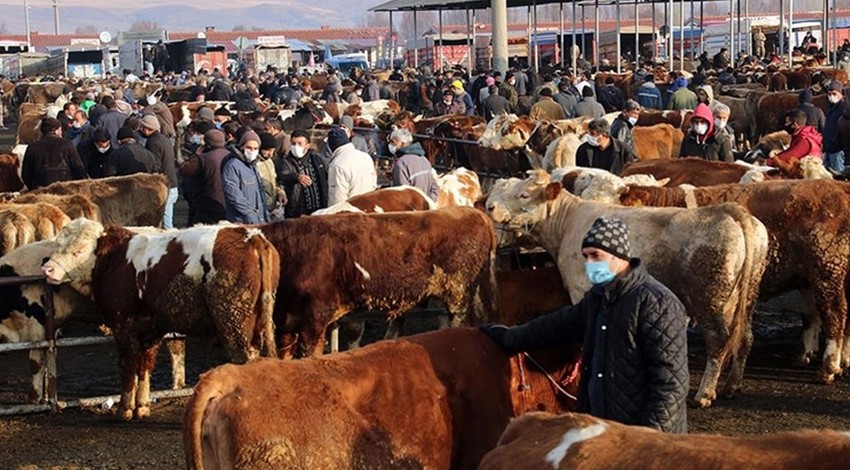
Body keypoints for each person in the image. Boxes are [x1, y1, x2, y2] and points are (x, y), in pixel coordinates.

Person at [479, 217, 689, 434]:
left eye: (596, 255)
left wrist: (649, 437)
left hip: (645, 439)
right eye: (585, 256)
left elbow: (671, 384)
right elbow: (559, 325)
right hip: (604, 431)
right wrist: (509, 337)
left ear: (620, 256)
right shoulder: (599, 299)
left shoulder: (657, 303)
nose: (588, 263)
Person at [181, 129, 230, 224]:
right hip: (226, 203)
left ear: (207, 143)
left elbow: (184, 170)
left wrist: (196, 154)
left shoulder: (203, 158)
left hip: (206, 203)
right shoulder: (230, 155)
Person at [21, 118, 86, 189]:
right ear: (57, 130)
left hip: (40, 191)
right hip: (65, 189)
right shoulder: (67, 145)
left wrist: (33, 188)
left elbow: (26, 174)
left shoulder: (33, 147)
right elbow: (78, 168)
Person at [277, 129, 328, 218]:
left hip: (318, 209)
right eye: (293, 143)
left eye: (300, 143)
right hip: (296, 211)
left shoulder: (316, 159)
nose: (296, 146)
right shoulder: (286, 162)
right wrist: (296, 177)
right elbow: (283, 175)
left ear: (307, 145)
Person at [221, 131, 269, 224]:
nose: (252, 151)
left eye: (255, 148)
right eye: (249, 148)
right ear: (242, 146)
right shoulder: (232, 165)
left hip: (258, 219)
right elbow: (233, 193)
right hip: (241, 220)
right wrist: (249, 214)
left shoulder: (253, 165)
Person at [140, 115, 179, 229]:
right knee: (168, 218)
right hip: (172, 182)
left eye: (142, 127)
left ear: (148, 129)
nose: (141, 130)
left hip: (164, 186)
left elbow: (155, 165)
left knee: (165, 223)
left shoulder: (152, 142)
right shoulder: (164, 139)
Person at [326, 126, 377, 206]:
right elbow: (373, 183)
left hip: (349, 211)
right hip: (368, 206)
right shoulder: (366, 157)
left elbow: (337, 197)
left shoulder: (337, 164)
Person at [388, 128, 439, 201]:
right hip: (425, 206)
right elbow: (434, 187)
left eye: (393, 142)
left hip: (411, 208)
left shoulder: (401, 163)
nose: (390, 145)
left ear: (402, 144)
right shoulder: (424, 160)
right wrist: (428, 202)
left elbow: (402, 194)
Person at [824, 81, 848, 173]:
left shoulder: (844, 108)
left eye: (834, 93)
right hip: (828, 148)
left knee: (838, 176)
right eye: (829, 94)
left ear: (840, 94)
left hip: (838, 150)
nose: (831, 96)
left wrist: (837, 143)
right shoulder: (831, 107)